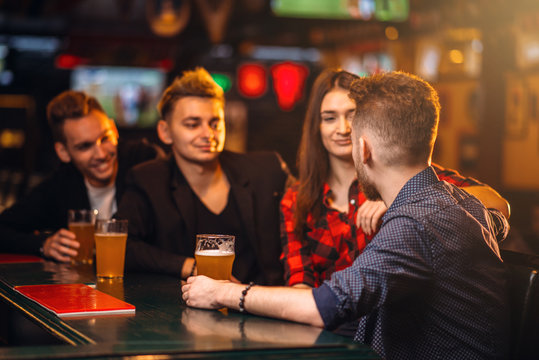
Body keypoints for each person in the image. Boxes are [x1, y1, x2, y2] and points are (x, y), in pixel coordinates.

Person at [182, 71, 510, 359]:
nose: (342, 132)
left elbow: (325, 306)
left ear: (363, 149)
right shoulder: (453, 200)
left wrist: (221, 292)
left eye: (351, 125)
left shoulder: (413, 223)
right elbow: (496, 219)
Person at [281, 69, 510, 288]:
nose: (342, 128)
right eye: (329, 118)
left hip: (391, 322)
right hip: (323, 316)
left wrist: (406, 196)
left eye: (352, 115)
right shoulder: (295, 199)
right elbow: (299, 281)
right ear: (316, 127)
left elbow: (498, 204)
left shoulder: (405, 172)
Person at [115, 67, 291, 284]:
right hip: (187, 311)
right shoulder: (148, 179)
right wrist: (190, 266)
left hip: (263, 308)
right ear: (165, 132)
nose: (208, 134)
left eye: (215, 123)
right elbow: (122, 246)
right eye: (192, 124)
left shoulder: (266, 170)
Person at [0, 90, 163, 262]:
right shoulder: (60, 186)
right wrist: (43, 244)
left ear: (114, 130)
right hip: (85, 283)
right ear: (63, 152)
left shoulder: (143, 159)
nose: (100, 154)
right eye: (85, 146)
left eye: (105, 138)